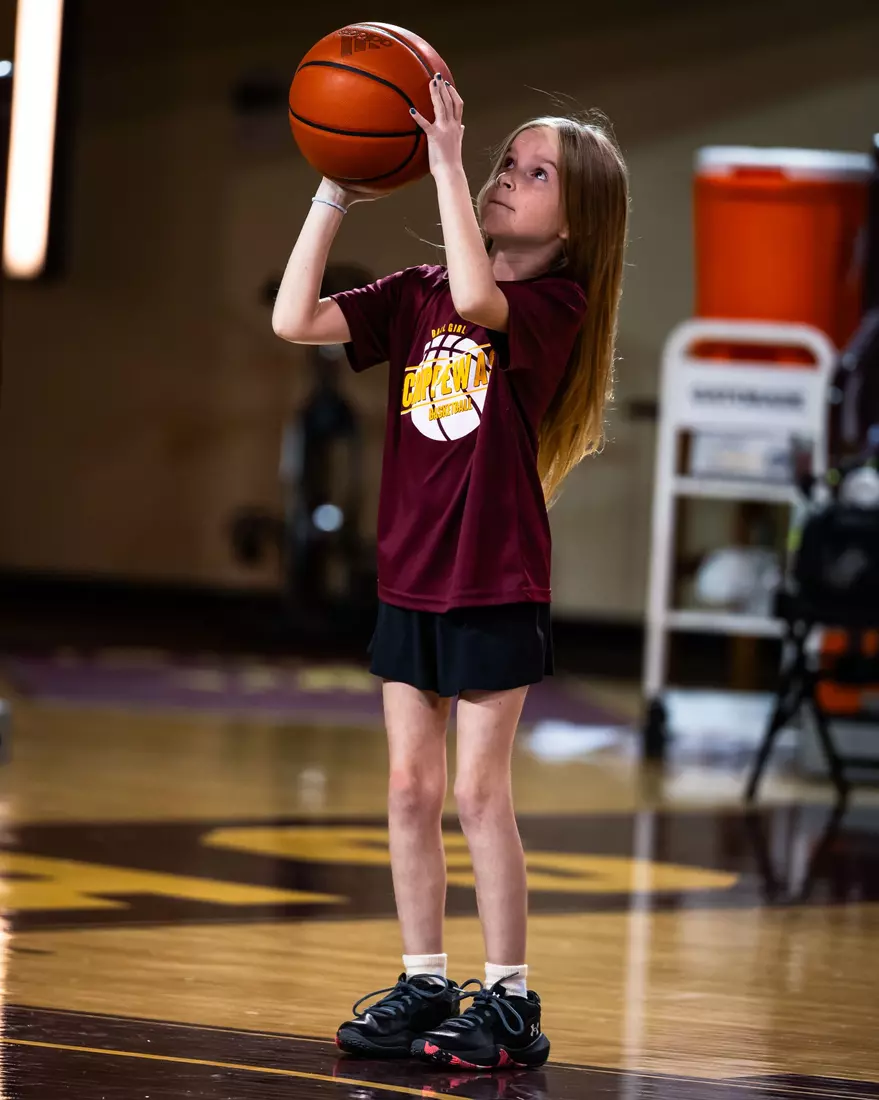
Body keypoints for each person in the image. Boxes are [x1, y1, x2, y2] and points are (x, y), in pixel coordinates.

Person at [272, 74, 629, 1070]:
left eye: (535, 173)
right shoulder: (416, 293)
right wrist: (334, 190)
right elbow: (295, 318)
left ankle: (509, 1001)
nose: (505, 177)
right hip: (409, 575)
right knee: (405, 786)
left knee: (477, 793)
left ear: (575, 222)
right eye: (505, 162)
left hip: (493, 579)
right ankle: (425, 977)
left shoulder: (552, 303)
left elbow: (481, 297)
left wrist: (441, 163)